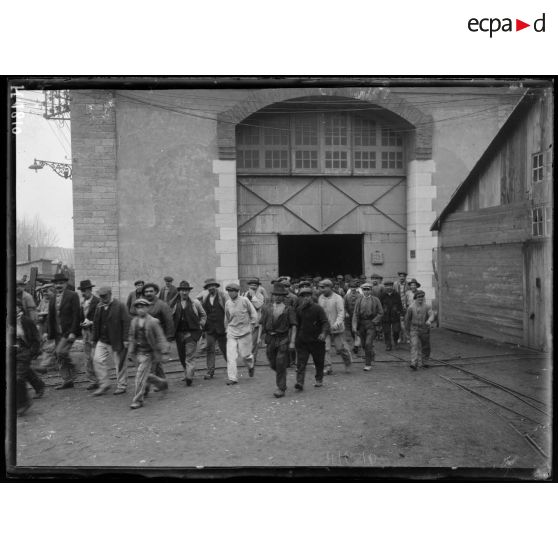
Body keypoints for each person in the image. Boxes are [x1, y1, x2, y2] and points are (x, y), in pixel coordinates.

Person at [128, 298, 169, 409]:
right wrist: (130, 352)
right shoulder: (134, 321)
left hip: (149, 353)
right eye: (138, 307)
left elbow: (161, 337)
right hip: (138, 353)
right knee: (144, 375)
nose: (140, 309)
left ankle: (138, 400)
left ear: (147, 308)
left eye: (143, 307)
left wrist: (164, 352)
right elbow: (132, 337)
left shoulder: (153, 321)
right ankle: (161, 383)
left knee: (140, 376)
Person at [91, 286, 131, 396]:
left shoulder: (120, 306)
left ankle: (122, 386)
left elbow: (127, 322)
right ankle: (104, 384)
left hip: (116, 340)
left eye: (105, 296)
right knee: (97, 360)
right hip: (102, 340)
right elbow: (95, 324)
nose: (103, 298)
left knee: (120, 364)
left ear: (110, 294)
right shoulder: (99, 306)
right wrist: (94, 339)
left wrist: (126, 339)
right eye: (101, 296)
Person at [260, 283, 297, 398]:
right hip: (270, 339)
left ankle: (281, 388)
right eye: (275, 295)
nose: (277, 297)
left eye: (280, 295)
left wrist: (292, 342)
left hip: (283, 338)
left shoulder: (288, 309)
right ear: (272, 296)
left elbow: (294, 326)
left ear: (284, 296)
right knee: (272, 363)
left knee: (280, 362)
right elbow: (262, 324)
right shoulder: (266, 308)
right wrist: (259, 339)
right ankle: (281, 373)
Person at [45, 273, 81, 389]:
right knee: (59, 357)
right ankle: (67, 380)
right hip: (57, 332)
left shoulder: (73, 295)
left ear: (65, 284)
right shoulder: (53, 298)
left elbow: (77, 315)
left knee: (60, 352)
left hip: (68, 331)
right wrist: (48, 332)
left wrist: (73, 331)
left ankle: (74, 368)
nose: (58, 286)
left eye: (61, 283)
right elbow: (50, 316)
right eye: (56, 284)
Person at [172, 280, 207, 386]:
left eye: (186, 290)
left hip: (191, 333)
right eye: (182, 290)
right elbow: (170, 318)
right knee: (182, 356)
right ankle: (187, 373)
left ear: (189, 291)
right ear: (179, 291)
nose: (184, 293)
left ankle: (189, 377)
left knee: (189, 356)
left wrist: (201, 324)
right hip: (179, 334)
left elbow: (203, 315)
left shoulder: (195, 303)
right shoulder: (174, 304)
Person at [294, 287, 329, 389]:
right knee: (301, 363)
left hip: (316, 341)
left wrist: (323, 333)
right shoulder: (299, 310)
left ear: (312, 297)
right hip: (302, 341)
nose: (306, 298)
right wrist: (295, 339)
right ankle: (300, 382)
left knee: (319, 362)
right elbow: (296, 325)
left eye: (308, 296)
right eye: (304, 296)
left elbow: (325, 322)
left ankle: (319, 379)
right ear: (300, 298)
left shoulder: (318, 308)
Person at [224, 283, 258, 385]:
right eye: (229, 291)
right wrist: (226, 328)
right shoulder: (228, 303)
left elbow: (253, 313)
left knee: (246, 356)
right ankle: (232, 378)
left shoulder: (244, 300)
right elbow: (226, 317)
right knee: (231, 356)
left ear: (237, 292)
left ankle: (251, 366)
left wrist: (252, 324)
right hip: (232, 332)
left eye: (232, 291)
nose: (230, 293)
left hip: (245, 332)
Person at [14, 301, 44, 415]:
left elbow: (36, 338)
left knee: (17, 377)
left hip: (24, 351)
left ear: (19, 308)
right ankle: (39, 386)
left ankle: (23, 403)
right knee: (24, 371)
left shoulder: (26, 321)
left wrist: (32, 352)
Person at [318, 279, 352, 374]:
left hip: (337, 328)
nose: (321, 290)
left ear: (329, 287)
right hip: (325, 328)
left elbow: (341, 313)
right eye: (320, 287)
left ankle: (348, 363)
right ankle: (328, 367)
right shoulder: (320, 298)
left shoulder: (338, 298)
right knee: (325, 348)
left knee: (341, 348)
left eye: (323, 287)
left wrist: (336, 324)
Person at [142, 283, 174, 380]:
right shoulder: (142, 304)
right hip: (145, 339)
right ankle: (162, 381)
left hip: (158, 339)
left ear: (156, 292)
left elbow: (169, 322)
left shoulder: (162, 305)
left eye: (151, 291)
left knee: (152, 363)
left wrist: (168, 339)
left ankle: (147, 386)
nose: (148, 293)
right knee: (155, 361)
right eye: (146, 291)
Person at [198, 278, 228, 379]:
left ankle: (231, 369)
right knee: (210, 350)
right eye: (209, 286)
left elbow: (228, 310)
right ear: (207, 288)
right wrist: (203, 326)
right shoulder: (205, 298)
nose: (211, 288)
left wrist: (228, 325)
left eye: (213, 285)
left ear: (216, 286)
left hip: (222, 328)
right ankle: (210, 372)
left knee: (225, 350)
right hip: (210, 329)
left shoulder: (223, 296)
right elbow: (203, 313)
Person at [352, 283, 383, 371]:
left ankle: (368, 364)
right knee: (363, 345)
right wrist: (354, 326)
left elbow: (381, 313)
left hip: (371, 324)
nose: (366, 291)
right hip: (361, 324)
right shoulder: (359, 300)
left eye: (368, 289)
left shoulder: (375, 300)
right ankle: (371, 354)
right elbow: (355, 313)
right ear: (362, 290)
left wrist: (374, 321)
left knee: (368, 343)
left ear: (371, 290)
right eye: (364, 289)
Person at [78, 279, 100, 390]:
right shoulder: (82, 302)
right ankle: (93, 381)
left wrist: (91, 322)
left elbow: (101, 319)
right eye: (81, 290)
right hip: (85, 333)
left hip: (94, 332)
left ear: (90, 290)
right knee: (87, 358)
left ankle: (100, 379)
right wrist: (81, 323)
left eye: (84, 290)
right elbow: (80, 316)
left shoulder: (97, 301)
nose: (82, 293)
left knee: (95, 357)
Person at [405, 290, 435, 370]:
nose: (421, 298)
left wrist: (429, 320)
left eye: (422, 296)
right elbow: (407, 320)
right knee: (414, 345)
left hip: (424, 329)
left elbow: (431, 314)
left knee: (426, 346)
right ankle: (414, 363)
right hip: (414, 329)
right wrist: (407, 331)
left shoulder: (427, 306)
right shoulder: (411, 308)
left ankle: (425, 362)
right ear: (415, 298)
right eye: (419, 297)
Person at [242, 278, 265, 371]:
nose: (253, 287)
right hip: (245, 322)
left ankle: (252, 360)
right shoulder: (244, 294)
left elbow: (258, 305)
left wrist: (253, 297)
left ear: (258, 286)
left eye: (255, 285)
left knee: (254, 343)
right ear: (249, 286)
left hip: (255, 322)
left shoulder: (260, 296)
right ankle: (248, 358)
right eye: (251, 285)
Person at [380, 280, 404, 351]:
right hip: (385, 316)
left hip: (395, 315)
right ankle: (388, 345)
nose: (388, 288)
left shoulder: (396, 295)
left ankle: (395, 341)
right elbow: (379, 305)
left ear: (392, 287)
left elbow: (400, 305)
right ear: (385, 287)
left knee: (396, 330)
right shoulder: (382, 295)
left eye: (390, 286)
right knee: (386, 332)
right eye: (387, 286)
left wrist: (401, 314)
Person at [344, 279, 362, 355]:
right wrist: (346, 312)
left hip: (358, 316)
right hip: (350, 316)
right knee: (352, 331)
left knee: (357, 330)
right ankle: (356, 342)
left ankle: (356, 346)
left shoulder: (360, 296)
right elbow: (344, 306)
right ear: (350, 288)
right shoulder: (346, 296)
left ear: (357, 288)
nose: (353, 289)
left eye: (354, 287)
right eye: (351, 287)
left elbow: (362, 305)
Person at [396, 272, 409, 344]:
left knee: (406, 322)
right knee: (399, 323)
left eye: (403, 276)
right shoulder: (395, 284)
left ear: (405, 277)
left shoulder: (408, 285)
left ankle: (406, 337)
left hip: (405, 305)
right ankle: (400, 337)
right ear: (399, 277)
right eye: (400, 276)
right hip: (398, 306)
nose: (402, 278)